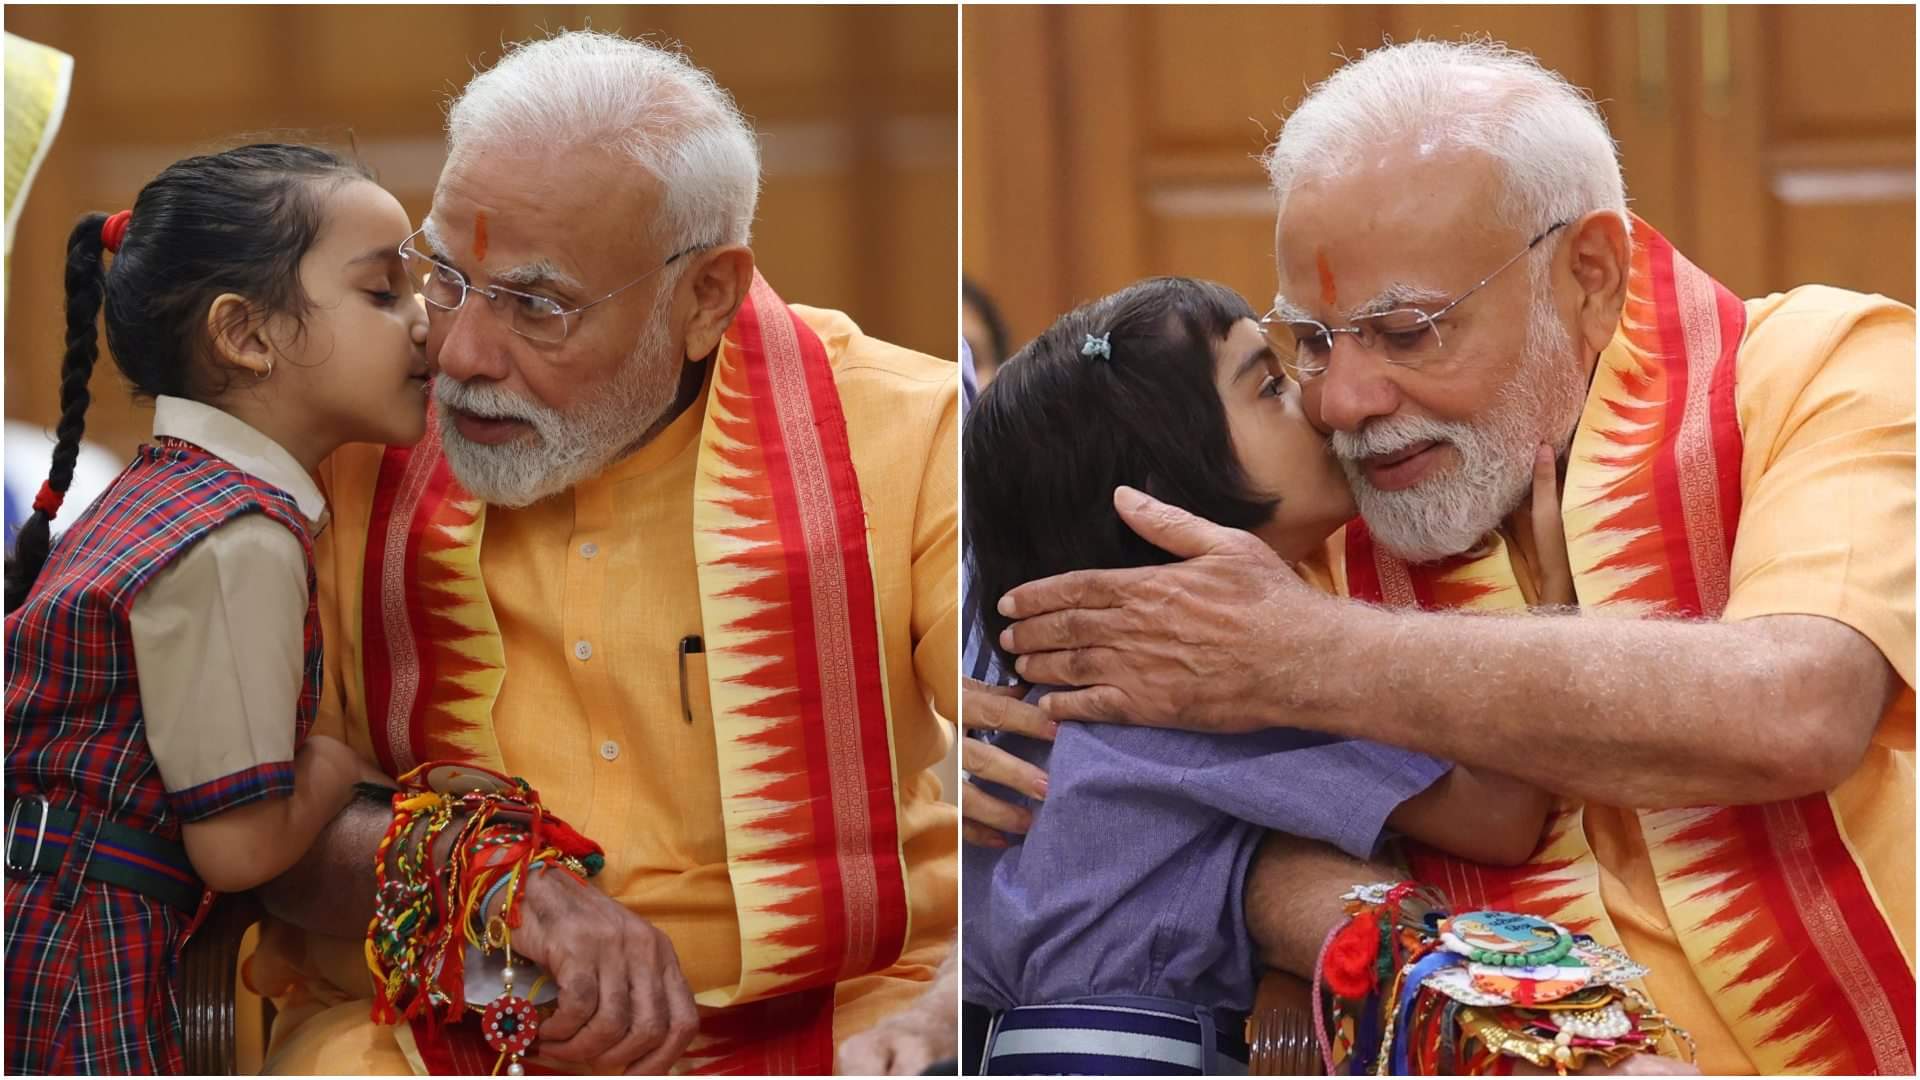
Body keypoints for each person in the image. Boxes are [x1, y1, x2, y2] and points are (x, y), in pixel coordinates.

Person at [990, 39, 1914, 1075]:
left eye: (1407, 330)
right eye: (1314, 342)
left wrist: (1302, 652)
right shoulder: (1283, 518)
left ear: (1590, 274)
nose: (1341, 403)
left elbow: (1796, 709)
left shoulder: (1821, 373)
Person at [242, 31, 958, 1075]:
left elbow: (1039, 781)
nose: (462, 354)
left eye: (537, 306)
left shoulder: (915, 434)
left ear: (707, 296)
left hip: (847, 1016)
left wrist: (942, 1025)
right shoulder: (343, 443)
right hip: (430, 1017)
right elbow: (252, 822)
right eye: (446, 275)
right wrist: (491, 883)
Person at [961, 277, 1558, 1074]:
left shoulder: (1067, 693)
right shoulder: (1205, 689)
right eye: (1269, 385)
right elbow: (1500, 818)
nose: (1319, 401)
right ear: (1165, 502)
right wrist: (1550, 607)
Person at [4, 144, 423, 1074]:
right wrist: (334, 762)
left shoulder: (171, 491)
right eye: (383, 294)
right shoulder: (235, 535)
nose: (427, 326)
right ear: (246, 334)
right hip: (72, 953)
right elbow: (238, 845)